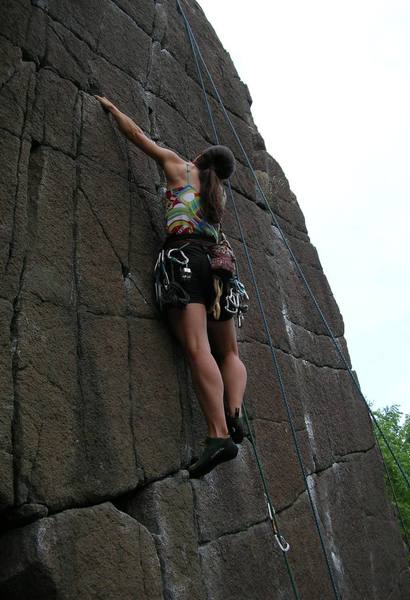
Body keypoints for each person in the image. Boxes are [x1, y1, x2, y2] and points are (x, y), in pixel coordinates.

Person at [95, 95, 248, 478]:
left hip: (185, 262)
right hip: (218, 270)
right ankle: (235, 411)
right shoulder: (218, 197)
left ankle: (218, 434)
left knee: (197, 347)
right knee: (228, 350)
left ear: (200, 156)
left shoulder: (179, 168)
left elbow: (138, 136)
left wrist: (113, 109)